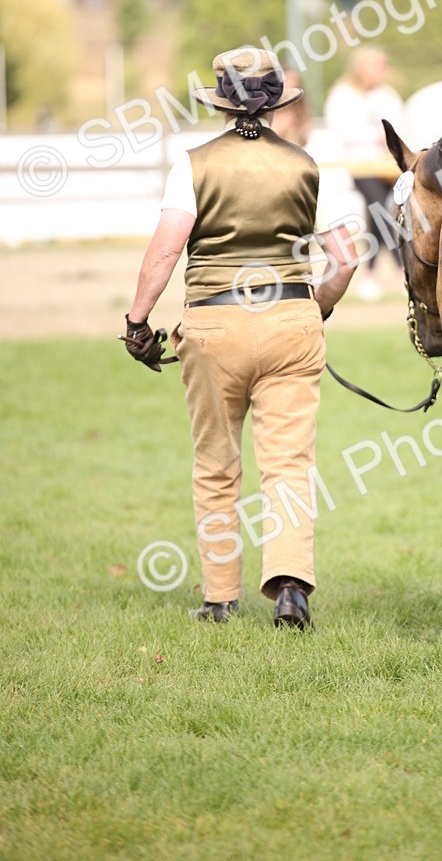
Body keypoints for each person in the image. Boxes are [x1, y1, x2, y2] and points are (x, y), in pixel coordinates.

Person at [122, 46, 358, 628]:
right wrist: (316, 309)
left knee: (215, 463)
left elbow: (166, 251)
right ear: (277, 103)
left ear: (222, 103)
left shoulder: (192, 165)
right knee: (289, 463)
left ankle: (219, 596)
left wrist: (137, 321)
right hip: (291, 322)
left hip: (213, 325)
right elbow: (346, 259)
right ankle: (291, 587)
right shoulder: (307, 165)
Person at [323, 46, 404, 301]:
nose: (383, 71)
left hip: (387, 166)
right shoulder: (343, 95)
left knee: (381, 214)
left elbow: (400, 125)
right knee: (382, 210)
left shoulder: (387, 95)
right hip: (360, 165)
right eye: (377, 66)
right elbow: (342, 131)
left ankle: (372, 274)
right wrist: (376, 135)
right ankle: (398, 269)